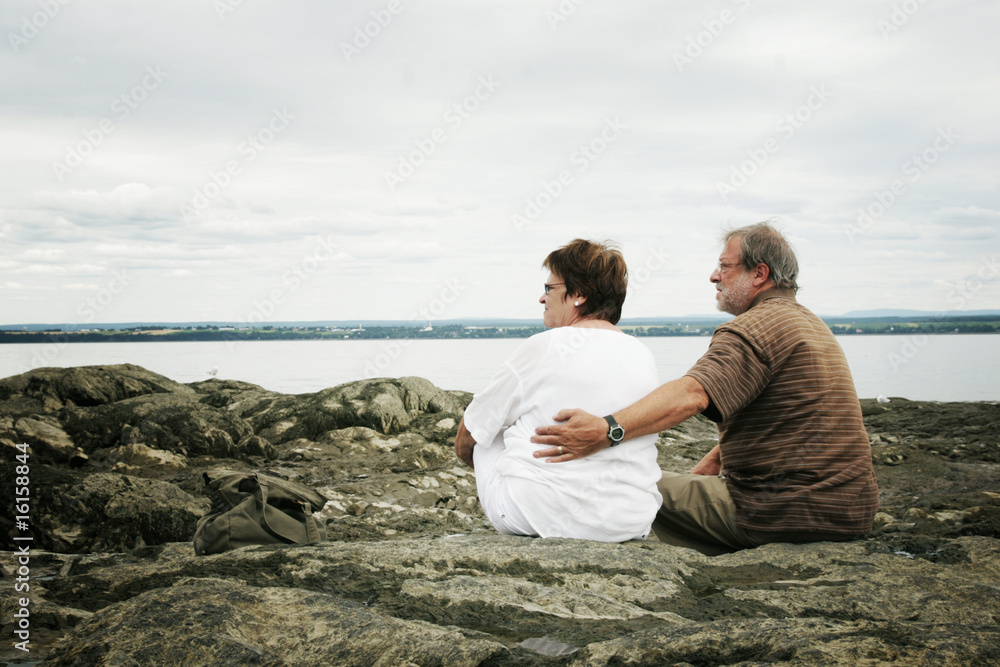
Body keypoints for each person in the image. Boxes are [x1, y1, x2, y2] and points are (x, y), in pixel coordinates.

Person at [531, 222, 879, 555]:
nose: (714, 276)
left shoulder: (752, 328)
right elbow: (793, 416)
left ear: (759, 274)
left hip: (779, 512)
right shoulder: (809, 324)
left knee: (623, 487)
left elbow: (692, 395)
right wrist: (718, 457)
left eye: (724, 267)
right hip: (850, 510)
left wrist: (607, 429)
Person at [454, 239, 662, 542]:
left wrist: (491, 462)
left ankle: (533, 491)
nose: (542, 297)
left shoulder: (544, 345)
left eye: (549, 288)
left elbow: (469, 434)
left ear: (579, 295)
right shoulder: (642, 352)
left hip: (537, 518)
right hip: (629, 522)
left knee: (487, 427)